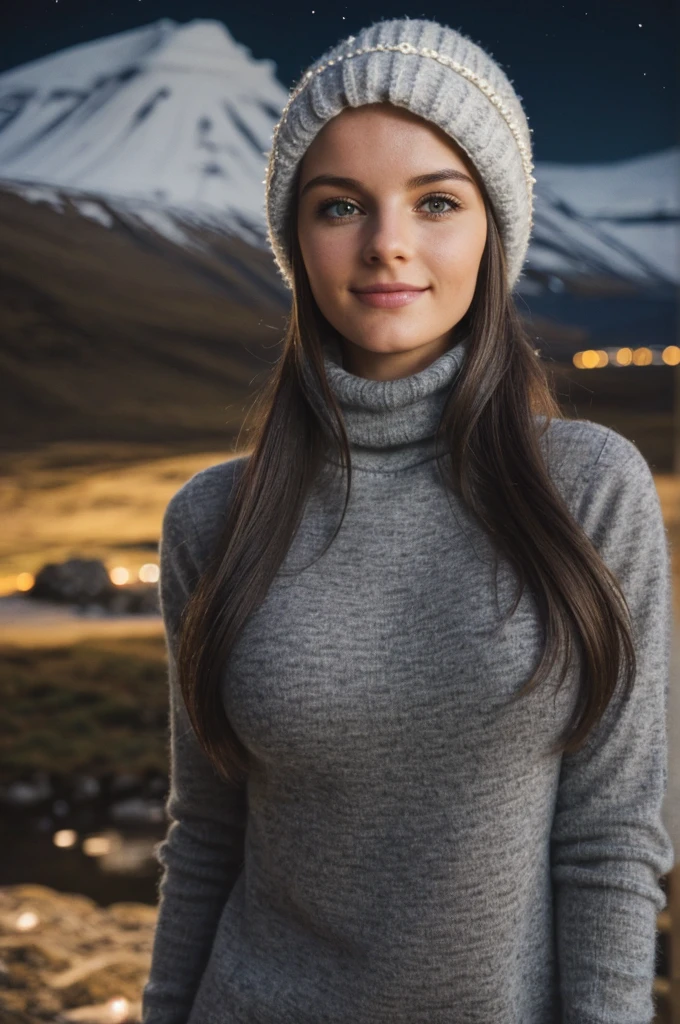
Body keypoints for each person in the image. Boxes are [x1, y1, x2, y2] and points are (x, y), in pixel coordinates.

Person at [141, 16, 674, 1024]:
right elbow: (203, 837)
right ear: (294, 239)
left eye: (436, 201)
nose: (387, 241)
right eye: (339, 204)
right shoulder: (211, 518)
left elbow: (612, 839)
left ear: (494, 231)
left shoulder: (589, 490)